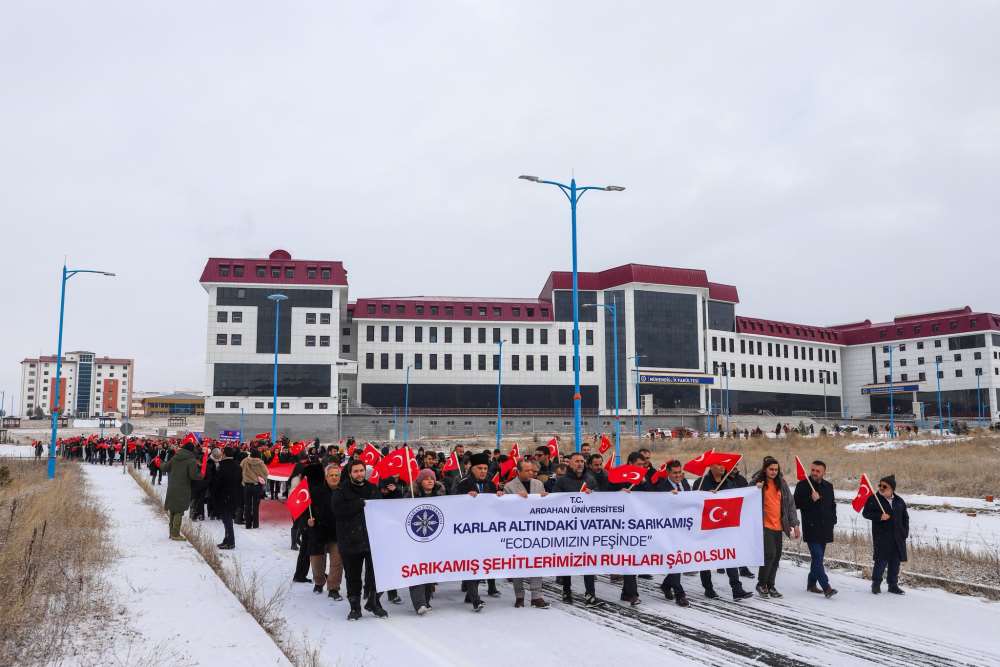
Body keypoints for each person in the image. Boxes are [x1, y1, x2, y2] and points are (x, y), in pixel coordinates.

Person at [332, 461, 387, 619]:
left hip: (371, 540)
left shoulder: (372, 488)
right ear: (350, 473)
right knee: (353, 576)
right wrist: (358, 504)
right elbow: (338, 511)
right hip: (349, 540)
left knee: (376, 574)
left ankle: (374, 602)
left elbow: (381, 509)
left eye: (361, 470)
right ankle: (355, 607)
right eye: (355, 471)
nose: (359, 474)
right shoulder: (341, 490)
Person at [692, 462, 753, 600]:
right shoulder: (700, 482)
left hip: (724, 526)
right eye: (718, 465)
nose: (722, 467)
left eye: (723, 465)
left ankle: (737, 589)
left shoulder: (729, 483)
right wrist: (707, 496)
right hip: (706, 527)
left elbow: (736, 499)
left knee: (729, 556)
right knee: (706, 559)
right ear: (711, 466)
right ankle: (708, 588)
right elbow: (694, 502)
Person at [452, 452, 503, 611]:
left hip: (486, 531)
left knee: (482, 563)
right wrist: (465, 498)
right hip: (468, 531)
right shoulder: (463, 484)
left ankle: (470, 594)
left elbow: (495, 506)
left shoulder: (491, 484)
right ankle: (475, 599)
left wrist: (500, 497)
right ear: (472, 468)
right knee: (471, 564)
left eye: (485, 468)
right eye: (479, 468)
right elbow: (452, 504)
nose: (483, 471)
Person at [503, 461, 551, 609]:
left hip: (535, 529)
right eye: (527, 470)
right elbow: (505, 509)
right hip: (517, 530)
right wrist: (515, 499)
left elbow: (544, 506)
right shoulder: (509, 486)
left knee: (536, 561)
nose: (531, 473)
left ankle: (536, 596)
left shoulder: (538, 484)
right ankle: (519, 596)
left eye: (532, 470)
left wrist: (546, 498)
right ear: (519, 471)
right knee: (517, 563)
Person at [553, 452, 599, 605]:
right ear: (570, 464)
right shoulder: (562, 481)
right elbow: (555, 501)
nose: (580, 464)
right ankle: (566, 590)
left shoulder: (590, 479)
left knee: (588, 559)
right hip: (568, 527)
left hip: (586, 527)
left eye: (582, 461)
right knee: (568, 560)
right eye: (576, 461)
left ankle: (590, 594)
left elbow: (601, 500)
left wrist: (593, 494)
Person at [751, 457, 800, 598]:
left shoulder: (781, 483)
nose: (773, 472)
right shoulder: (757, 482)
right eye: (771, 469)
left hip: (778, 526)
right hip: (764, 525)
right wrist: (755, 489)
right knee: (769, 554)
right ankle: (761, 584)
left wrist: (795, 524)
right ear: (765, 469)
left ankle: (770, 585)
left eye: (776, 469)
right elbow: (745, 495)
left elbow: (790, 505)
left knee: (776, 556)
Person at [403, 468, 446, 614]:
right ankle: (419, 603)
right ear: (420, 481)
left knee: (429, 569)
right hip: (415, 539)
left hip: (434, 540)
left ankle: (426, 600)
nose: (430, 481)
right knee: (416, 570)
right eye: (426, 478)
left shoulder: (441, 496)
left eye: (432, 478)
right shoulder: (411, 495)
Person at [794, 459, 838, 597]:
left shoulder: (828, 486)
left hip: (825, 528)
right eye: (812, 470)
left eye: (817, 471)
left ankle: (811, 584)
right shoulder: (802, 485)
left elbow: (832, 505)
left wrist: (833, 520)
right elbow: (795, 504)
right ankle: (826, 587)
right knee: (817, 557)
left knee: (817, 559)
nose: (814, 473)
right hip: (811, 528)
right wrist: (810, 500)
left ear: (824, 472)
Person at [863, 475, 909, 595]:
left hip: (897, 537)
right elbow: (866, 513)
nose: (881, 488)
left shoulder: (899, 501)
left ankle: (893, 585)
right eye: (880, 485)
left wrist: (904, 532)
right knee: (881, 561)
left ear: (892, 488)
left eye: (885, 486)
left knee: (895, 563)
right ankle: (876, 584)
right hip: (882, 536)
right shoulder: (874, 499)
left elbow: (905, 517)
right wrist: (879, 516)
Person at [307, 463, 343, 600]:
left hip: (337, 533)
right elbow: (307, 509)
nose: (334, 477)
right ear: (326, 477)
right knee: (316, 562)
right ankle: (319, 582)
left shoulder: (344, 491)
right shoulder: (316, 491)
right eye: (331, 475)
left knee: (337, 562)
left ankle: (333, 588)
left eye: (336, 475)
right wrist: (308, 521)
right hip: (318, 532)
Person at [659, 460, 690, 607]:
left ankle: (666, 585)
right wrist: (666, 496)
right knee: (676, 561)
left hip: (684, 528)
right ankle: (680, 594)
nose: (678, 476)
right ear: (668, 473)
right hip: (669, 530)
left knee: (680, 560)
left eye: (679, 472)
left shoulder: (685, 484)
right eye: (674, 473)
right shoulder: (662, 487)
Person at [161, 443, 202, 541]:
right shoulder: (191, 460)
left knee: (173, 510)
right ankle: (175, 534)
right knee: (179, 511)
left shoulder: (175, 457)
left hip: (172, 487)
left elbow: (165, 468)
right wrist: (201, 474)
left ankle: (171, 532)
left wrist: (161, 462)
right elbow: (193, 476)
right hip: (183, 488)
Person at [212, 446, 242, 549]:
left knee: (227, 520)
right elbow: (240, 481)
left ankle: (230, 541)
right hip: (234, 495)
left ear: (224, 454)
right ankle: (226, 540)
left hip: (223, 496)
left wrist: (214, 494)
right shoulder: (237, 466)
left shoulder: (221, 466)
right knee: (227, 519)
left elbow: (217, 483)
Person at [240, 449, 269, 529]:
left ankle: (248, 524)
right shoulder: (260, 463)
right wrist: (259, 476)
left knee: (247, 505)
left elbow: (240, 469)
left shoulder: (245, 461)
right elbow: (266, 473)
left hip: (246, 485)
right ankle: (255, 524)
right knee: (255, 506)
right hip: (256, 486)